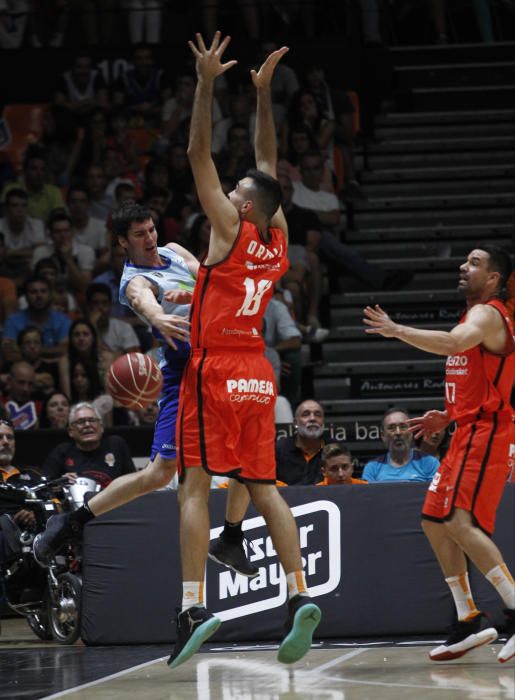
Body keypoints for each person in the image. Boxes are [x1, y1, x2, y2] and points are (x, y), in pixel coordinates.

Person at [174, 33, 321, 670]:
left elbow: (195, 152)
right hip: (261, 374)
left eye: (235, 190)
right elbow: (269, 164)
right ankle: (298, 595)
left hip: (214, 367)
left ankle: (192, 608)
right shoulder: (278, 235)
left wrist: (207, 82)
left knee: (193, 487)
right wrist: (261, 96)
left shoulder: (229, 228)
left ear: (241, 206)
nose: (229, 190)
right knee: (265, 489)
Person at [33, 202, 255, 595]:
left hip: (220, 365)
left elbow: (206, 278)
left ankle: (232, 538)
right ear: (122, 241)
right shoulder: (132, 280)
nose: (150, 239)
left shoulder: (173, 250)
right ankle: (72, 522)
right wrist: (157, 316)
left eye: (151, 229)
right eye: (140, 235)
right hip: (183, 372)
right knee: (159, 475)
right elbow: (144, 298)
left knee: (249, 457)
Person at [363, 245, 515, 663]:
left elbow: (452, 343)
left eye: (474, 263)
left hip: (486, 433)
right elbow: (480, 378)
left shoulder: (488, 313)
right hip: (464, 430)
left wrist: (397, 330)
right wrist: (448, 416)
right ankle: (469, 619)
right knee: (433, 519)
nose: (463, 267)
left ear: (495, 279)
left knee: (457, 521)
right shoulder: (475, 314)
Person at [41, 402, 135, 489]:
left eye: (92, 420)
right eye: (81, 422)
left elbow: (133, 480)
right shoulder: (62, 451)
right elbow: (42, 485)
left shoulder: (115, 445)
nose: (87, 425)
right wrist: (59, 482)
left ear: (101, 427)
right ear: (71, 431)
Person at [2, 275, 71, 363]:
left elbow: (65, 349)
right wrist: (49, 353)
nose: (39, 295)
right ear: (25, 296)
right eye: (33, 292)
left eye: (43, 291)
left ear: (50, 295)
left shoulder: (63, 320)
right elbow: (9, 353)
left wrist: (28, 351)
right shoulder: (13, 321)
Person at [362, 407, 440, 483]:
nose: (398, 432)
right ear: (383, 436)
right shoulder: (372, 468)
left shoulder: (430, 463)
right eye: (391, 428)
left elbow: (437, 494)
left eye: (403, 427)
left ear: (411, 432)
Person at [0, 419, 40, 567]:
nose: (5, 442)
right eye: (0, 437)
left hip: (34, 537)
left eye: (9, 437)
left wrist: (35, 514)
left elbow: (55, 506)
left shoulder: (32, 474)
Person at [275, 399, 327, 485]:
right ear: (295, 423)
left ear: (323, 422)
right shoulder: (278, 450)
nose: (312, 418)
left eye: (317, 415)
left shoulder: (334, 450)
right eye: (306, 414)